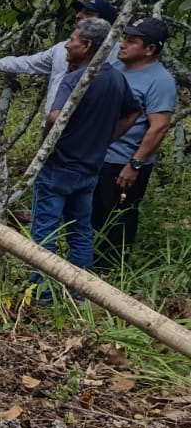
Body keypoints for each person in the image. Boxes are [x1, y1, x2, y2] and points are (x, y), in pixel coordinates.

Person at [28, 18, 139, 291]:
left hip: (59, 165)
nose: (67, 45)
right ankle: (80, 291)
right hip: (90, 167)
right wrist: (107, 137)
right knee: (81, 230)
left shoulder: (76, 79)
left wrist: (46, 145)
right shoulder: (116, 78)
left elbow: (55, 117)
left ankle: (42, 292)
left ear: (87, 45)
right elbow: (133, 111)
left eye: (72, 39)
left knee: (44, 231)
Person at [91, 16, 177, 269]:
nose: (123, 44)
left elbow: (159, 126)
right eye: (124, 38)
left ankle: (110, 272)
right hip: (98, 156)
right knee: (92, 214)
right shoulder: (115, 68)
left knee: (117, 219)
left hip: (123, 162)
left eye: (131, 41)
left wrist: (135, 164)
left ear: (150, 49)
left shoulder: (160, 80)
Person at [0, 0, 119, 113]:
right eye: (79, 11)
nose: (78, 15)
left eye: (88, 13)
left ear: (105, 23)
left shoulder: (118, 55)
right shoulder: (63, 48)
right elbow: (27, 63)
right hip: (52, 122)